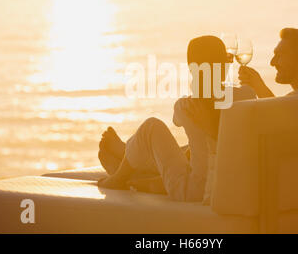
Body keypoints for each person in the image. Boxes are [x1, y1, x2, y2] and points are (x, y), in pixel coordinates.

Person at [97, 35, 256, 201]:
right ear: (225, 64)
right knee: (193, 147)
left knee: (151, 127)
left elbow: (176, 121)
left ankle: (119, 177)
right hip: (225, 183)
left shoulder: (185, 107)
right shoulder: (247, 94)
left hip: (192, 190)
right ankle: (132, 164)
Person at [238, 28, 298, 97]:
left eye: (279, 55)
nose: (272, 62)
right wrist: (259, 86)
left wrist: (259, 87)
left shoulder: (294, 104)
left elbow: (277, 115)